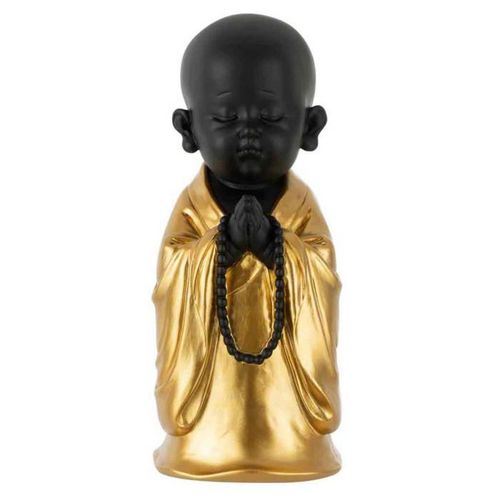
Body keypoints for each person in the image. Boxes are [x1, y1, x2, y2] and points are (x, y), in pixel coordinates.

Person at [152, 13, 342, 481]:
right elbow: (174, 274)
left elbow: (321, 271)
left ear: (310, 127)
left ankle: (289, 440)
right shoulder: (192, 210)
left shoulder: (302, 208)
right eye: (225, 118)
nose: (248, 131)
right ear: (188, 130)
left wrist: (280, 247)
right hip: (202, 428)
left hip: (294, 428)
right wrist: (222, 247)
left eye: (271, 117)